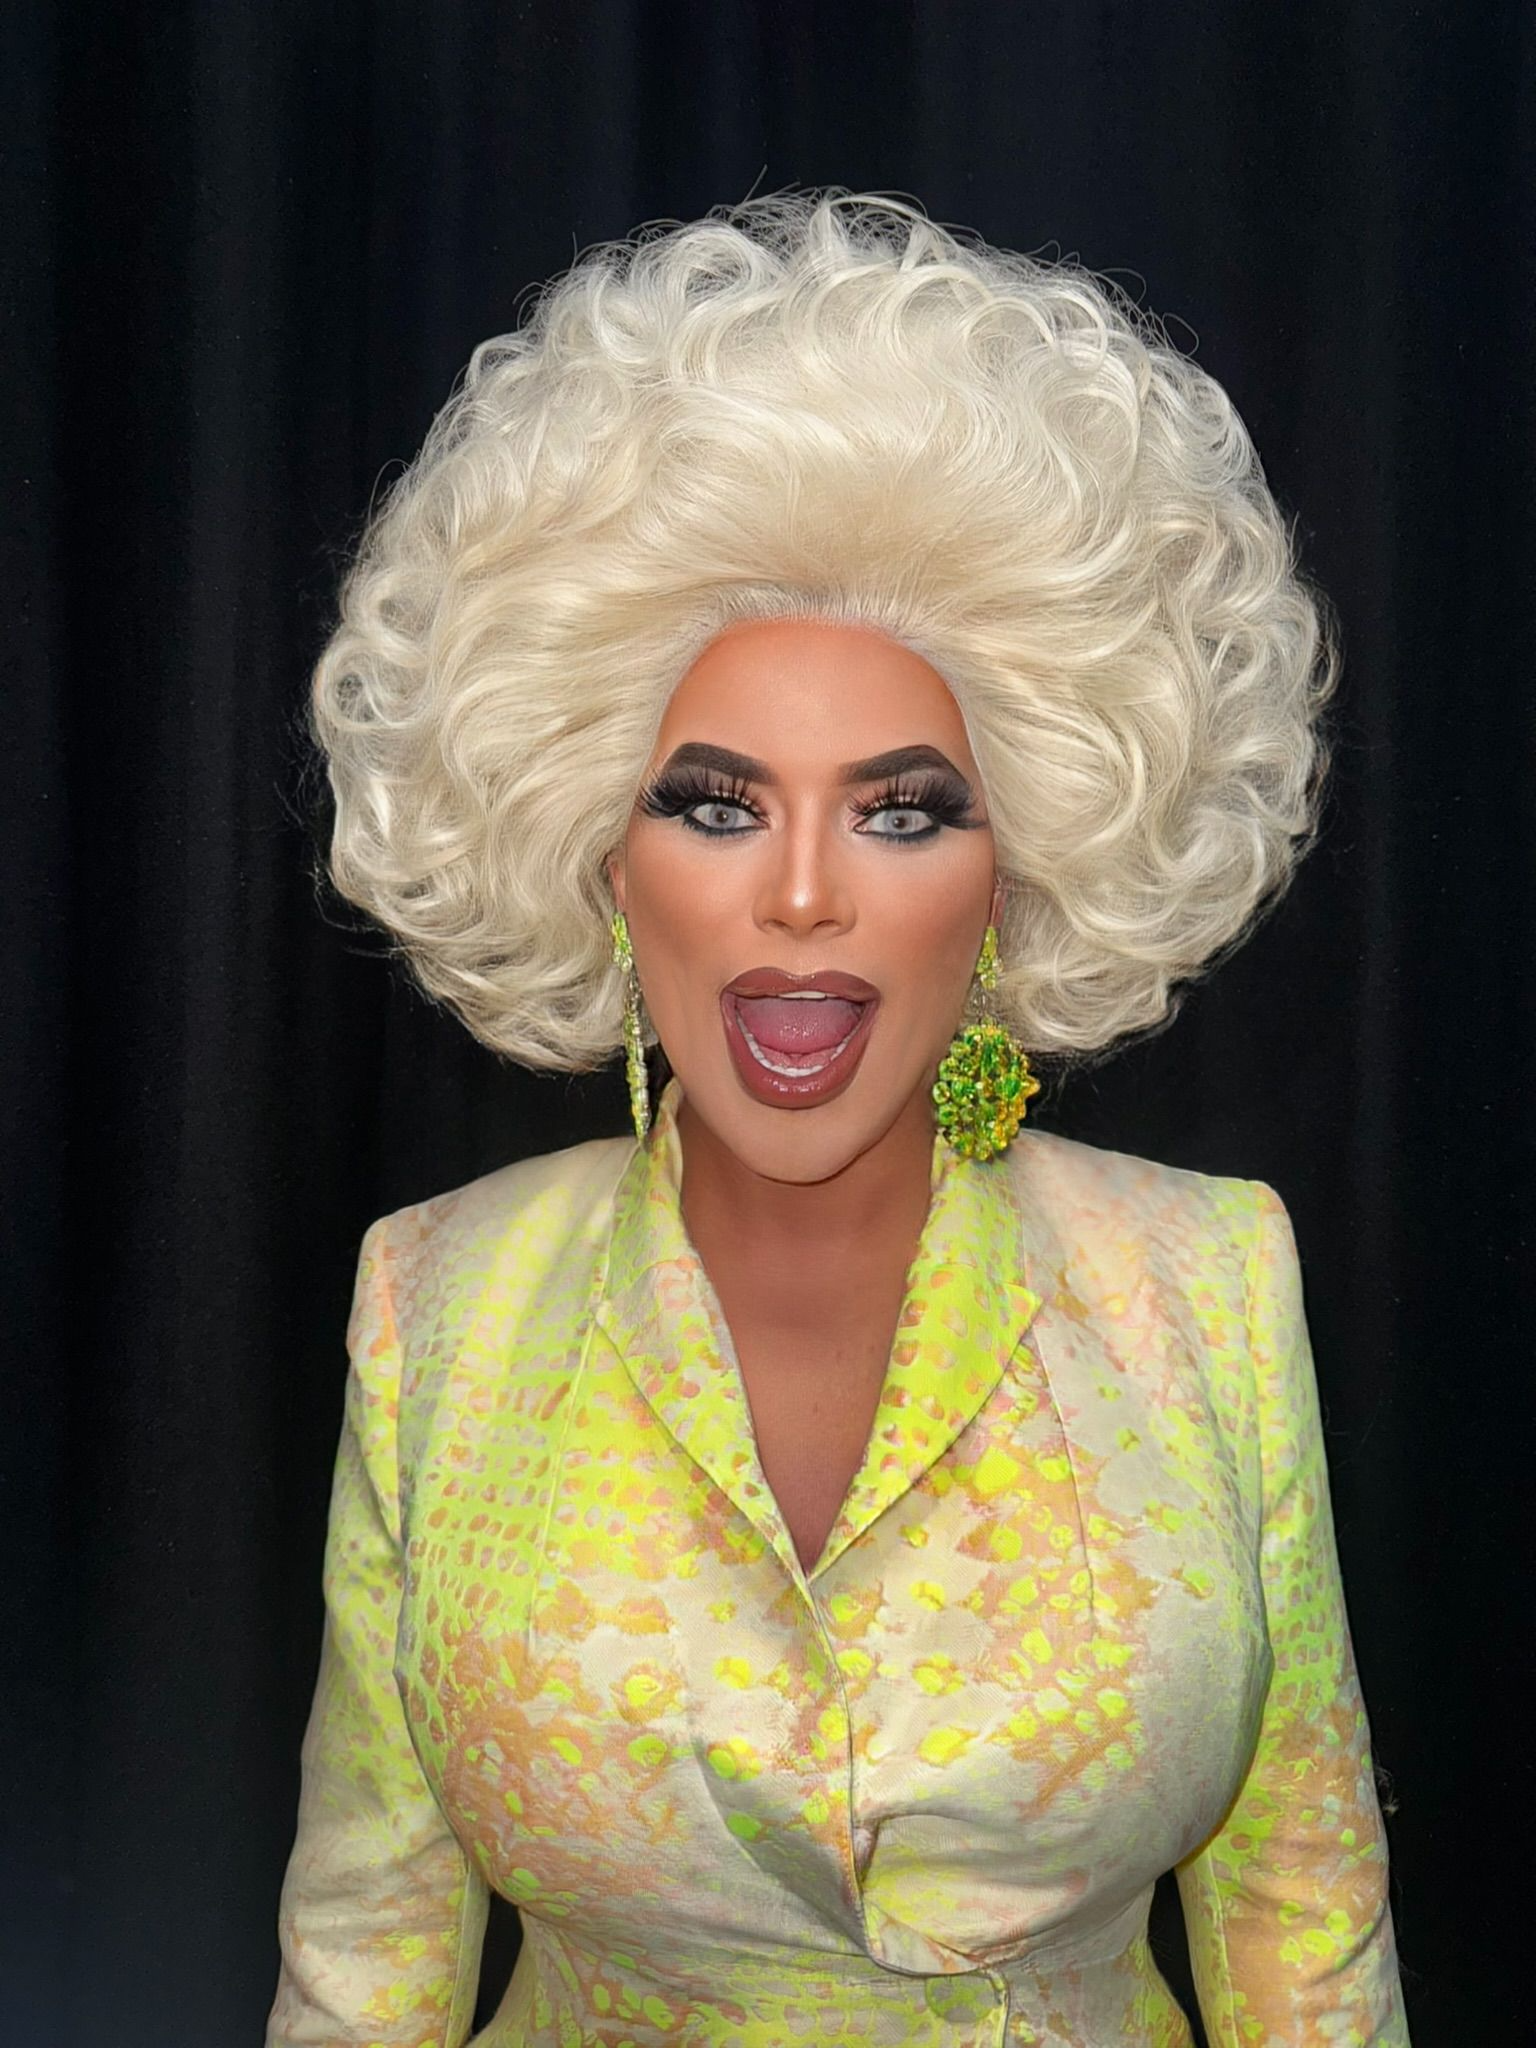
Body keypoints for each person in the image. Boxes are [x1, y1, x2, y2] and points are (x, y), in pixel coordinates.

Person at [266, 193, 1408, 2047]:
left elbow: (1304, 1936)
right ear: (603, 867)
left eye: (901, 811)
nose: (803, 890)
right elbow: (366, 1961)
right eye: (718, 806)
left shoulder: (1206, 1281)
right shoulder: (442, 1307)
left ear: (1015, 882)